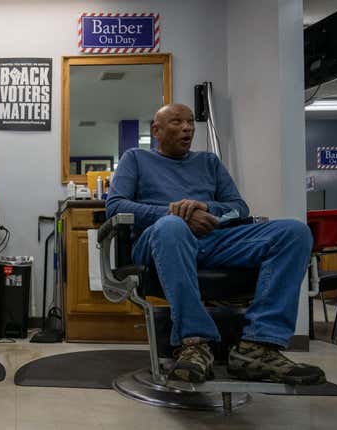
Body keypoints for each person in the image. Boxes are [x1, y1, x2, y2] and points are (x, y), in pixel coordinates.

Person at [106, 103, 325, 385]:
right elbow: (115, 206)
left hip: (215, 239)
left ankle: (258, 346)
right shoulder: (135, 158)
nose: (187, 128)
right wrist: (173, 213)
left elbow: (239, 207)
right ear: (156, 131)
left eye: (189, 123)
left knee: (295, 232)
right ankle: (196, 343)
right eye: (176, 122)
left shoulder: (209, 162)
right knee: (173, 227)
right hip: (159, 241)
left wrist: (206, 208)